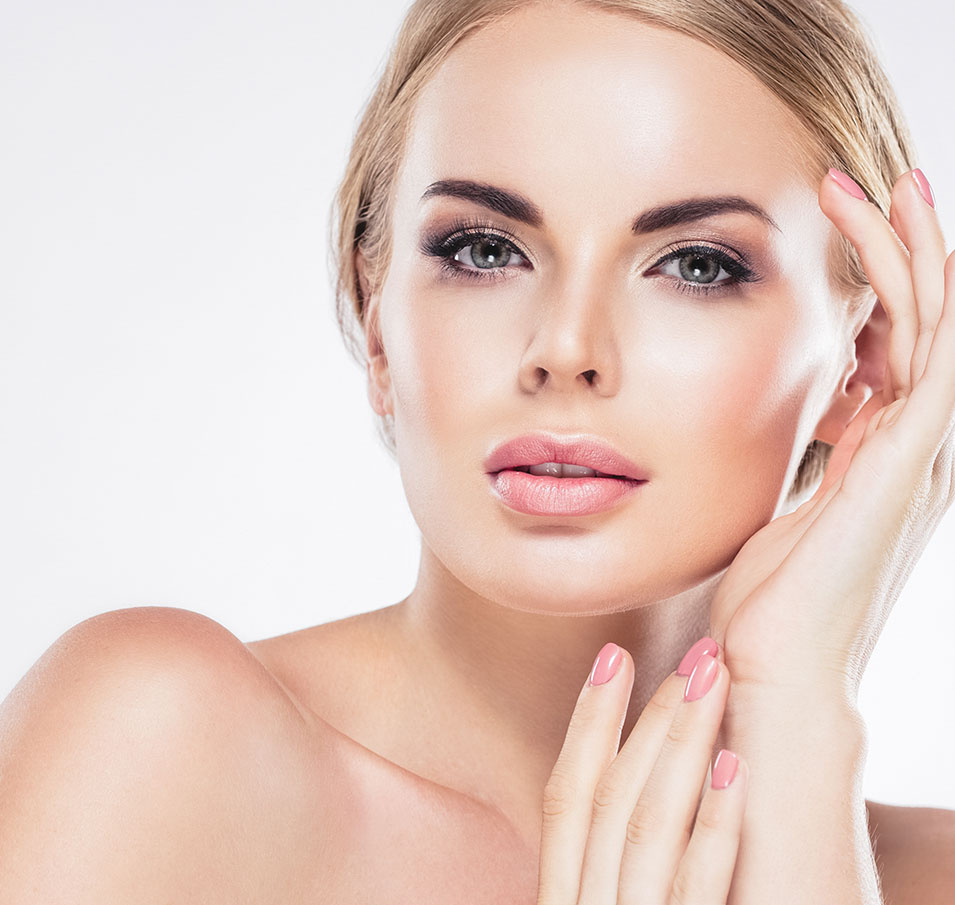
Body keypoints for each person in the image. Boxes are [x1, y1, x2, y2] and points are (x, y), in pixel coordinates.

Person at [1, 0, 953, 902]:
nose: (566, 349)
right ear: (377, 323)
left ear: (859, 361)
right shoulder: (155, 746)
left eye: (696, 265)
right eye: (484, 250)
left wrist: (794, 712)